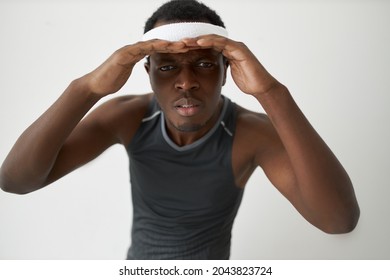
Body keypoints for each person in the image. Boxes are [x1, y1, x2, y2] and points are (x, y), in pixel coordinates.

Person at [0, 0, 359, 259]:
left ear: (227, 70)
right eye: (168, 67)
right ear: (148, 73)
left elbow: (338, 221)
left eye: (204, 64)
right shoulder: (128, 116)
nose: (186, 82)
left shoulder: (251, 133)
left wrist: (271, 92)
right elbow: (15, 181)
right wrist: (87, 88)